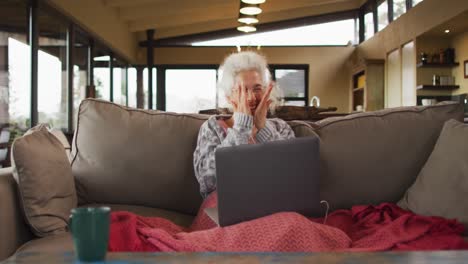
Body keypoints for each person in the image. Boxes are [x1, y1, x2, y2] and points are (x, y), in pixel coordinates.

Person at [193, 51, 295, 198]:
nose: (251, 97)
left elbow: (292, 175)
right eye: (243, 89)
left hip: (273, 204)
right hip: (226, 205)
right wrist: (241, 128)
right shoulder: (212, 128)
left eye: (257, 88)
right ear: (229, 96)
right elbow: (208, 183)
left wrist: (262, 128)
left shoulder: (281, 128)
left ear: (266, 91)